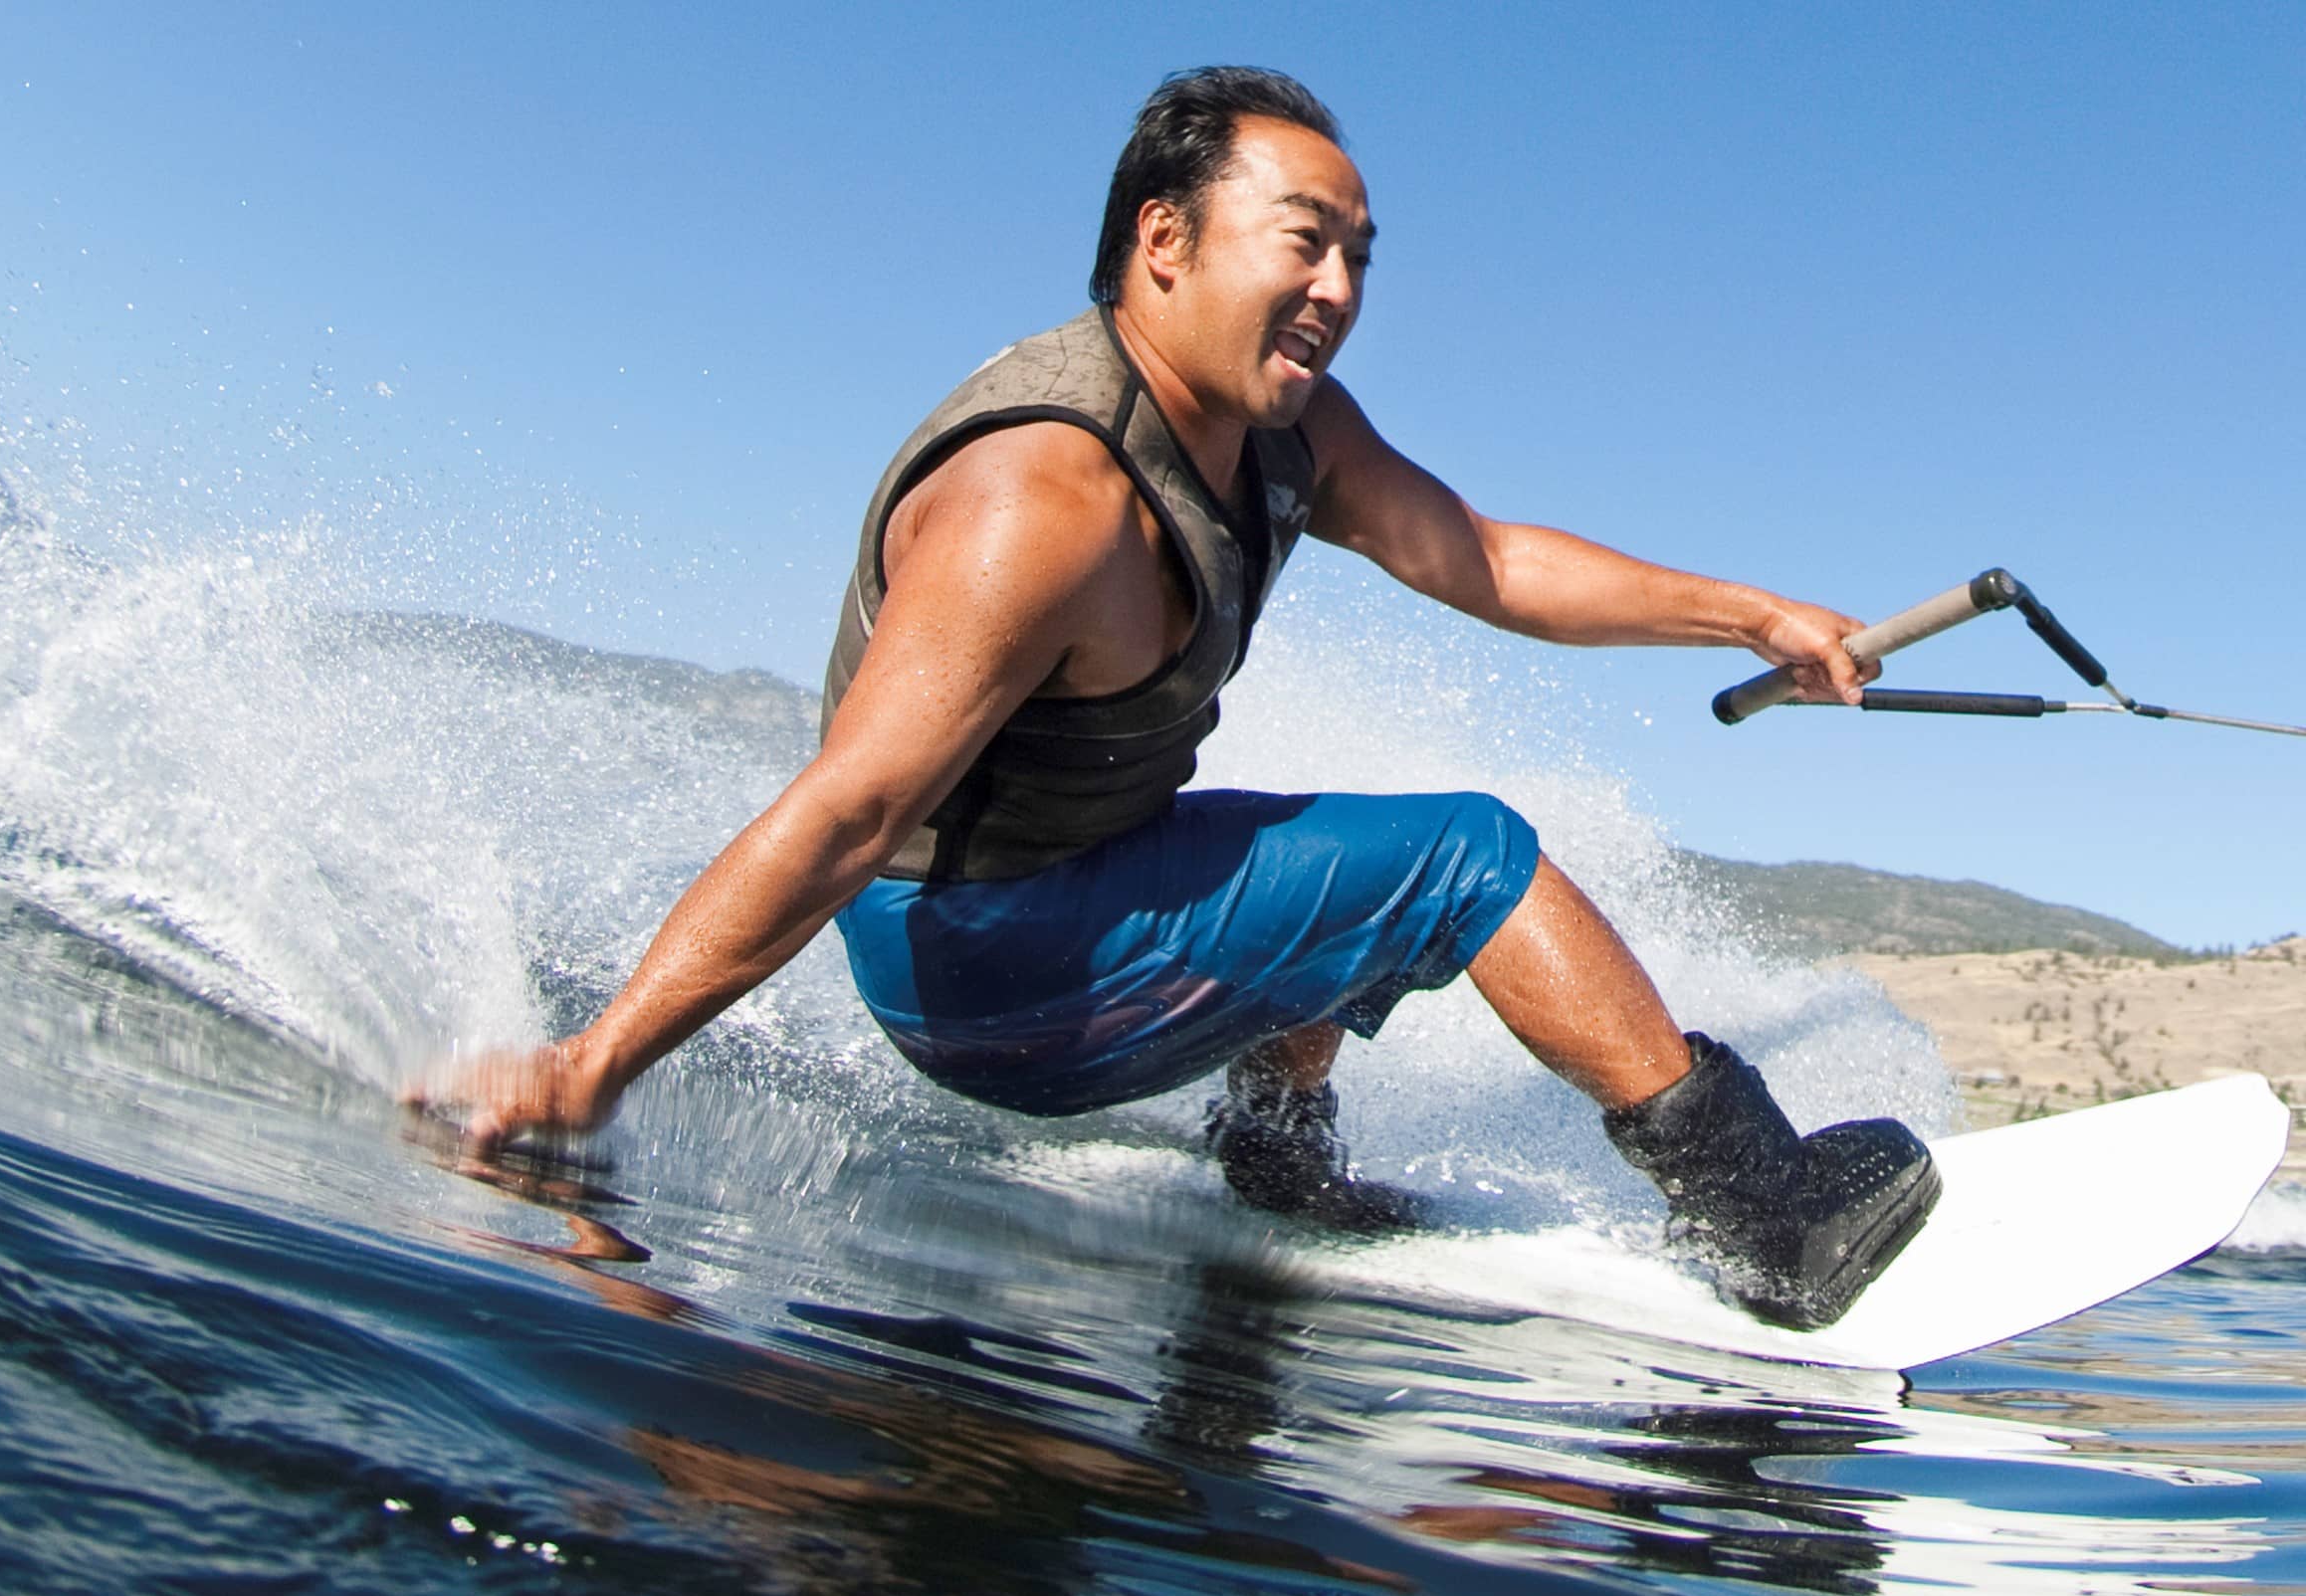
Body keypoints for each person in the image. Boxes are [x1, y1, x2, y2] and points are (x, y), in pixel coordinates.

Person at [418, 68, 1940, 1329]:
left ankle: (1274, 1150)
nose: (1337, 288)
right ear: (1165, 241)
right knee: (1460, 856)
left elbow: (1475, 557)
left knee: (1317, 844)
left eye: (1359, 254)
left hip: (1062, 903)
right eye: (1302, 243)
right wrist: (589, 1068)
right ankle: (1765, 1220)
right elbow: (853, 808)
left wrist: (1749, 615)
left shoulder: (1288, 428)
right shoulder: (1045, 497)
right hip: (983, 956)